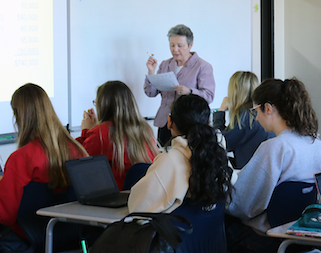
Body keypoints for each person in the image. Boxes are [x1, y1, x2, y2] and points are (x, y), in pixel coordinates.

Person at [226, 78, 321, 253]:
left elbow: (242, 207)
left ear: (268, 109)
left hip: (267, 237)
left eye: (255, 110)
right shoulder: (316, 143)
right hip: (300, 233)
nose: (255, 116)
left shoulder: (275, 148)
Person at [0, 83, 88, 250]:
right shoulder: (78, 151)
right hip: (73, 237)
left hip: (30, 239)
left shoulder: (20, 159)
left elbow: (5, 216)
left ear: (19, 117)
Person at [128, 94, 233, 213]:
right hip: (212, 231)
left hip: (175, 231)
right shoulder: (219, 155)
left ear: (169, 122)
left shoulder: (170, 161)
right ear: (208, 124)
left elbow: (137, 207)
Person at [76, 80, 159, 190]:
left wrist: (86, 131)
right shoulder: (145, 129)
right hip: (144, 197)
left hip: (116, 197)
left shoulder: (101, 133)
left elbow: (78, 161)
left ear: (103, 105)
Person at [144, 24, 215, 146]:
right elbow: (150, 93)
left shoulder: (203, 67)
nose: (175, 49)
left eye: (180, 46)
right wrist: (151, 72)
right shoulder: (165, 65)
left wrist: (190, 91)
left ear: (190, 45)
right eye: (172, 45)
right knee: (163, 157)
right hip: (166, 122)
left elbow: (209, 96)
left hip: (189, 125)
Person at [213, 71, 275, 169]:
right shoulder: (259, 111)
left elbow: (222, 143)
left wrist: (220, 112)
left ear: (235, 91)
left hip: (250, 172)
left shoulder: (245, 113)